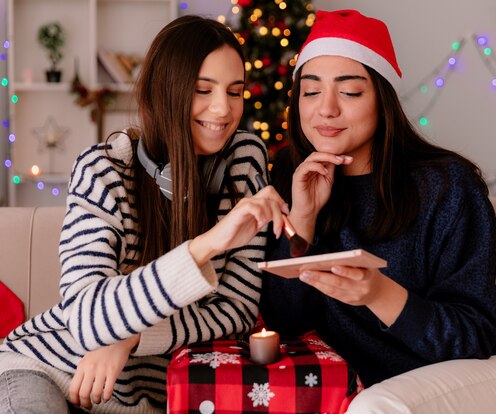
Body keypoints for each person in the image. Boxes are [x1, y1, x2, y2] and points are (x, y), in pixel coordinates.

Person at [260, 9, 496, 413]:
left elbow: (472, 337)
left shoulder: (448, 186)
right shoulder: (292, 177)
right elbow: (286, 321)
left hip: (493, 372)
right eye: (311, 92)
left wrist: (379, 294)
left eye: (349, 92)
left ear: (382, 100)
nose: (325, 109)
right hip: (396, 389)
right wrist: (303, 219)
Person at [0, 15, 288, 414]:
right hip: (46, 368)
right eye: (202, 90)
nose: (223, 109)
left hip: (144, 398)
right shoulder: (102, 170)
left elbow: (236, 311)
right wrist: (209, 243)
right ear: (162, 92)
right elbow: (86, 320)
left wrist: (134, 339)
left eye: (235, 92)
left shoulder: (244, 162)